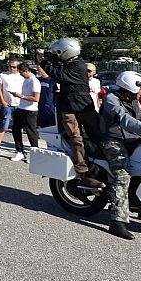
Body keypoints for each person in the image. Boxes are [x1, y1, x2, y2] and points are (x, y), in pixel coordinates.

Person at [99, 71, 141, 240]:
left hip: (133, 140)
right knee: (122, 176)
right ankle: (117, 222)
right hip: (113, 141)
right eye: (139, 89)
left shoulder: (134, 101)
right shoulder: (111, 99)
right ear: (129, 89)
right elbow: (124, 120)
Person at [40, 37, 104, 188]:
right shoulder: (70, 64)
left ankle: (103, 162)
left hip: (82, 106)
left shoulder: (78, 66)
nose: (56, 55)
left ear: (66, 51)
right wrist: (51, 61)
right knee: (75, 138)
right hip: (69, 107)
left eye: (58, 53)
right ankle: (83, 172)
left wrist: (44, 63)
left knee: (98, 133)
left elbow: (59, 75)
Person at [9, 63, 40, 162]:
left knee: (31, 133)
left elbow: (36, 98)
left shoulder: (34, 81)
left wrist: (20, 96)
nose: (21, 74)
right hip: (21, 107)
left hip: (31, 110)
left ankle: (34, 154)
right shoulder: (26, 80)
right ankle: (19, 151)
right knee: (15, 129)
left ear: (27, 71)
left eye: (21, 72)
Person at [0, 58, 23, 152]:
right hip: (7, 104)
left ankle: (19, 147)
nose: (12, 68)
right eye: (10, 66)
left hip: (19, 104)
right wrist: (2, 101)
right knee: (3, 124)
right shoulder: (3, 75)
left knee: (18, 127)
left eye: (14, 67)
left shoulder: (22, 76)